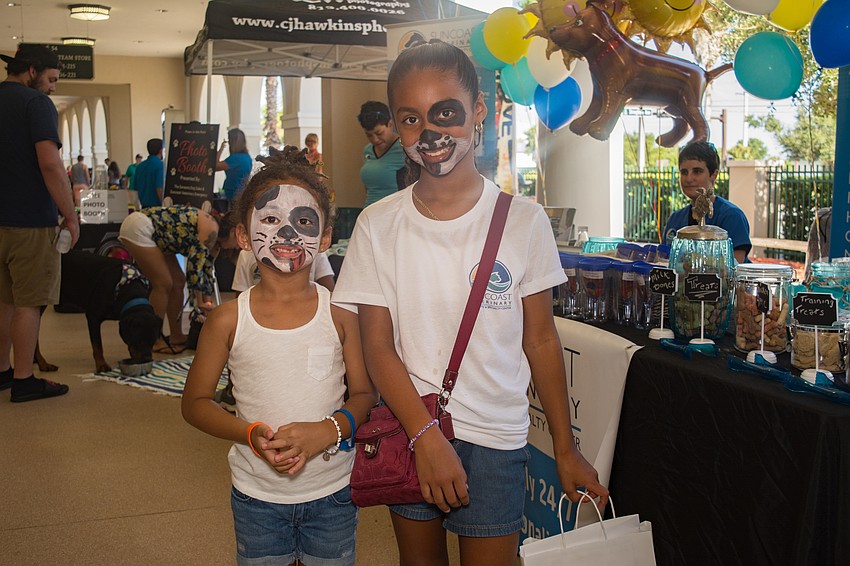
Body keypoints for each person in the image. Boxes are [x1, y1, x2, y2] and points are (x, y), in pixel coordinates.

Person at [332, 40, 608, 564]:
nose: (429, 133)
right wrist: (426, 438)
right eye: (410, 119)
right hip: (410, 429)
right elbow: (378, 347)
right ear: (396, 125)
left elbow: (541, 339)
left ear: (479, 111)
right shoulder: (378, 225)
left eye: (446, 112)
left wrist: (567, 451)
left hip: (496, 442)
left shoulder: (523, 222)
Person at [182, 146, 377, 566]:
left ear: (325, 237)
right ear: (243, 235)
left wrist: (330, 429)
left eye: (303, 221)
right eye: (270, 219)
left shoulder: (341, 315)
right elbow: (195, 404)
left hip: (333, 493)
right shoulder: (227, 320)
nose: (287, 234)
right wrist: (249, 434)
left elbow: (364, 395)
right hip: (257, 497)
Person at [1, 43, 79, 402]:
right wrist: (70, 214)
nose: (52, 87)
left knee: (3, 300)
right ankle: (24, 378)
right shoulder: (35, 104)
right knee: (29, 302)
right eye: (50, 79)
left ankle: (2, 371)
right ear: (31, 70)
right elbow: (50, 163)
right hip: (30, 220)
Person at [118, 205, 238, 354]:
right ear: (234, 232)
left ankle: (176, 336)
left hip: (161, 238)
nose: (240, 245)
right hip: (140, 227)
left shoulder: (216, 244)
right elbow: (194, 270)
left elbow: (206, 272)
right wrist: (198, 303)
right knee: (163, 283)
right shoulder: (211, 230)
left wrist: (207, 303)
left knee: (178, 282)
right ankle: (154, 338)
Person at [663, 140, 752, 263]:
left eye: (697, 171)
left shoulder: (732, 216)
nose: (689, 179)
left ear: (714, 175)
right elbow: (665, 261)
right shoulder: (675, 219)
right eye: (684, 172)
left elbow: (735, 266)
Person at [357, 100, 407, 207]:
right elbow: (368, 188)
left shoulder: (404, 148)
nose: (375, 139)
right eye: (369, 135)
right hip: (370, 211)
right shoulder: (368, 151)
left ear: (390, 124)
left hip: (395, 213)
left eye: (379, 133)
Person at [232, 249, 335, 293]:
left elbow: (329, 289)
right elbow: (240, 294)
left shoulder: (314, 252)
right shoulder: (246, 254)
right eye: (271, 220)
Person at [215, 127, 253, 205]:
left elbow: (215, 166)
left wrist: (221, 149)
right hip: (242, 192)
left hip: (234, 193)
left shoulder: (235, 159)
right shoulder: (247, 157)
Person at [135, 138, 165, 208]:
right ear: (160, 150)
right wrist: (164, 205)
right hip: (157, 208)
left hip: (144, 207)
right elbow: (159, 188)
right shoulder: (160, 165)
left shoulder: (140, 166)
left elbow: (135, 189)